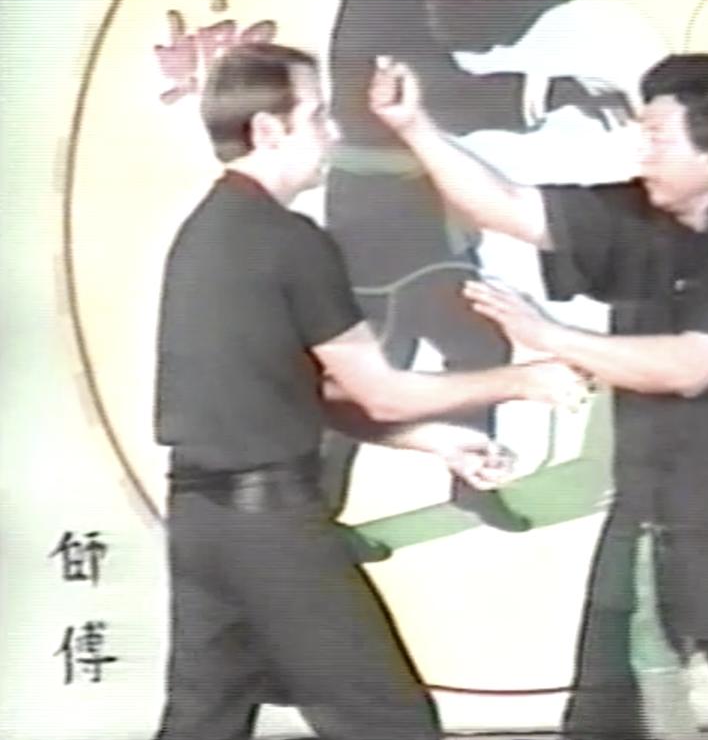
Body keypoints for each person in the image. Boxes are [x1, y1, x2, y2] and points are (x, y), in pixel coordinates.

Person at [368, 52, 708, 740]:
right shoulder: (635, 214)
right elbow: (506, 207)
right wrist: (414, 126)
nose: (640, 152)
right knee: (601, 719)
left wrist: (548, 336)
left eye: (656, 136)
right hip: (643, 516)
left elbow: (691, 366)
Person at [152, 42, 587, 740]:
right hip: (272, 527)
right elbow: (378, 392)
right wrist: (522, 380)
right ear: (268, 130)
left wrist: (433, 441)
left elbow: (312, 394)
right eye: (317, 116)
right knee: (389, 723)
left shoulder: (205, 232)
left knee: (205, 719)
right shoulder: (290, 239)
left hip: (203, 522)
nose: (333, 133)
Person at [322, 0, 623, 535]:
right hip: (374, 224)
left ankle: (472, 480)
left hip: (417, 218)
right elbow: (446, 96)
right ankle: (315, 517)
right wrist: (556, 92)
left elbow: (475, 25)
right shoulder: (376, 0)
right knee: (374, 372)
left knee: (476, 342)